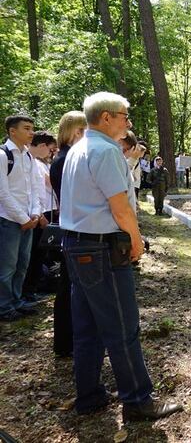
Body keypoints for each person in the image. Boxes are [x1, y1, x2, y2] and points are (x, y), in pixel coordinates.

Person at [59, 92, 182, 420]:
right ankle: (138, 401)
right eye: (124, 115)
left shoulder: (78, 148)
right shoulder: (105, 151)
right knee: (122, 326)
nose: (128, 121)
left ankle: (89, 395)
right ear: (106, 118)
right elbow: (120, 206)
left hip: (76, 245)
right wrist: (137, 241)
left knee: (87, 328)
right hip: (101, 249)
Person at [50, 110, 87, 356]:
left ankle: (68, 341)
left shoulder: (66, 157)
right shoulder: (65, 160)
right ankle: (65, 342)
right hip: (74, 228)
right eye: (84, 131)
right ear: (74, 132)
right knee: (68, 288)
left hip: (73, 226)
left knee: (70, 285)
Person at [0, 115, 43, 322]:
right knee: (7, 265)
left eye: (32, 129)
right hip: (8, 220)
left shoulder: (28, 156)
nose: (31, 132)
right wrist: (21, 217)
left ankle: (17, 301)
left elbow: (34, 188)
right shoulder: (2, 155)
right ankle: (4, 306)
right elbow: (3, 193)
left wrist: (35, 212)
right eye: (27, 128)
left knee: (22, 263)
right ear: (12, 131)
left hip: (28, 219)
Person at [22, 130, 58, 302]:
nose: (51, 153)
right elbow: (36, 189)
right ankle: (27, 290)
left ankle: (31, 288)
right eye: (51, 149)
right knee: (33, 254)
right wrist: (39, 213)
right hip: (36, 214)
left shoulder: (37, 162)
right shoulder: (32, 162)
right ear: (43, 145)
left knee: (39, 253)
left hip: (43, 211)